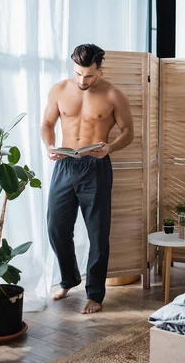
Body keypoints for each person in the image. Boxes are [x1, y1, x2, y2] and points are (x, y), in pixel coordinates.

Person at [41, 44, 134, 314]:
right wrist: (49, 147)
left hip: (96, 166)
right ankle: (69, 278)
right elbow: (47, 124)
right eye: (78, 74)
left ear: (100, 69)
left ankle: (95, 293)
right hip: (65, 164)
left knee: (97, 233)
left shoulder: (114, 95)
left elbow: (128, 132)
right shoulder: (59, 90)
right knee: (56, 227)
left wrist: (110, 148)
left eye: (89, 76)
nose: (83, 81)